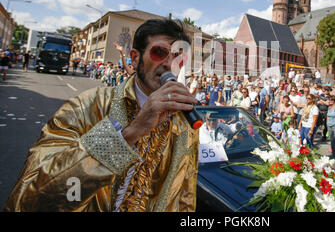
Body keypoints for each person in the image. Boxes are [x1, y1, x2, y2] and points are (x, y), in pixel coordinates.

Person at [5, 18, 200, 212]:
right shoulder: (84, 106)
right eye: (159, 52)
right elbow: (32, 201)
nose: (169, 64)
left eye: (177, 57)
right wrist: (129, 134)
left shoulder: (185, 123)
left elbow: (185, 196)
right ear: (135, 58)